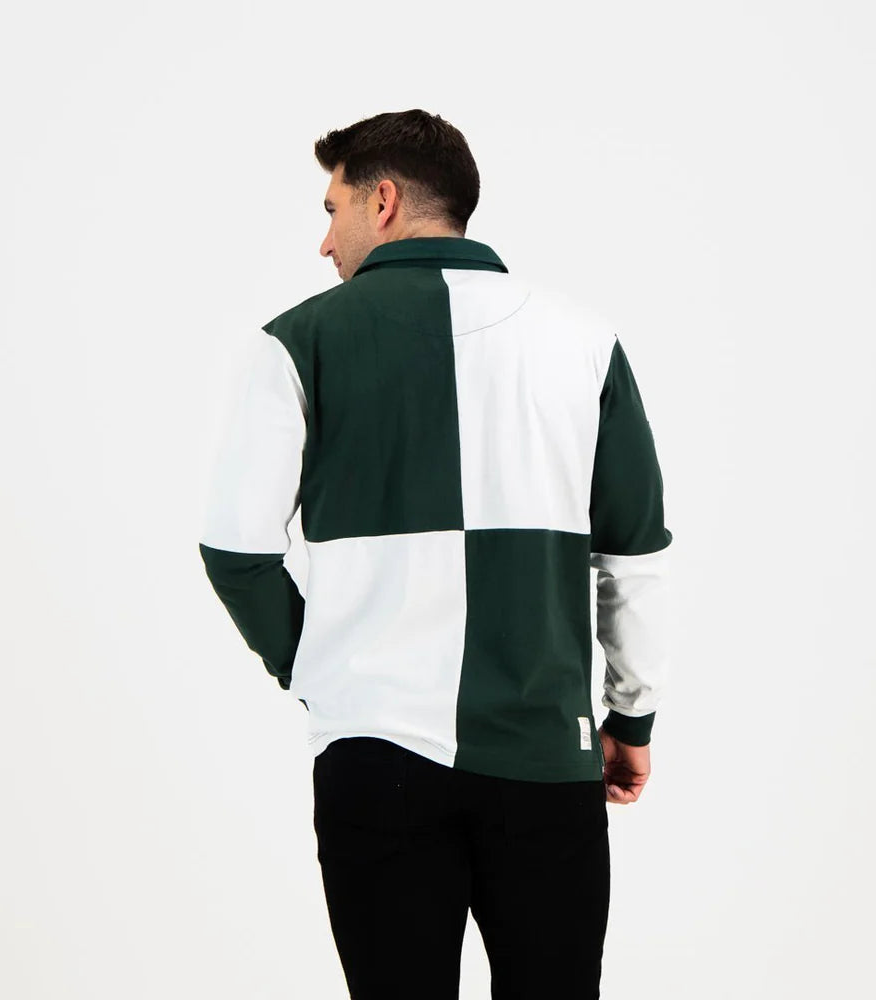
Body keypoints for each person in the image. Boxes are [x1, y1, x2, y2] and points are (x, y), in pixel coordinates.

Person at [198, 108, 672, 999]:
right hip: (545, 752)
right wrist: (631, 718)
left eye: (332, 208)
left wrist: (321, 669)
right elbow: (634, 555)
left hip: (374, 756)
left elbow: (236, 551)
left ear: (381, 202)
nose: (323, 240)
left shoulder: (295, 341)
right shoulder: (585, 341)